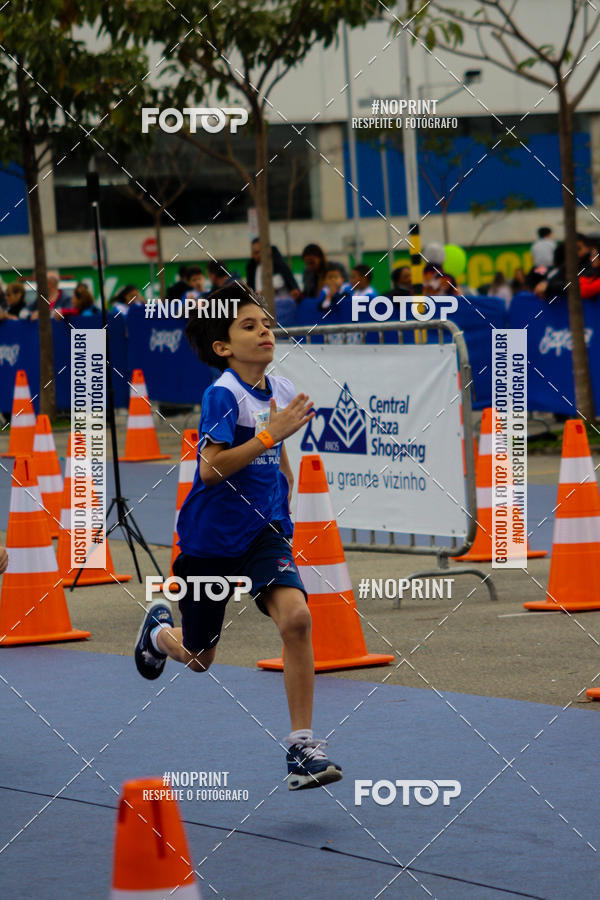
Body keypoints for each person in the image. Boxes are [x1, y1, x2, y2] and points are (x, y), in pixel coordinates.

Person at [134, 283, 343, 791]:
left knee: (297, 619)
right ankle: (159, 634)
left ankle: (302, 747)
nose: (264, 332)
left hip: (263, 533)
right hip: (209, 542)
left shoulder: (281, 388)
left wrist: (282, 489)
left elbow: (276, 450)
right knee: (199, 658)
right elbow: (210, 469)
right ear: (223, 346)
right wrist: (270, 434)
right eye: (249, 326)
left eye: (266, 323)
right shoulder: (223, 394)